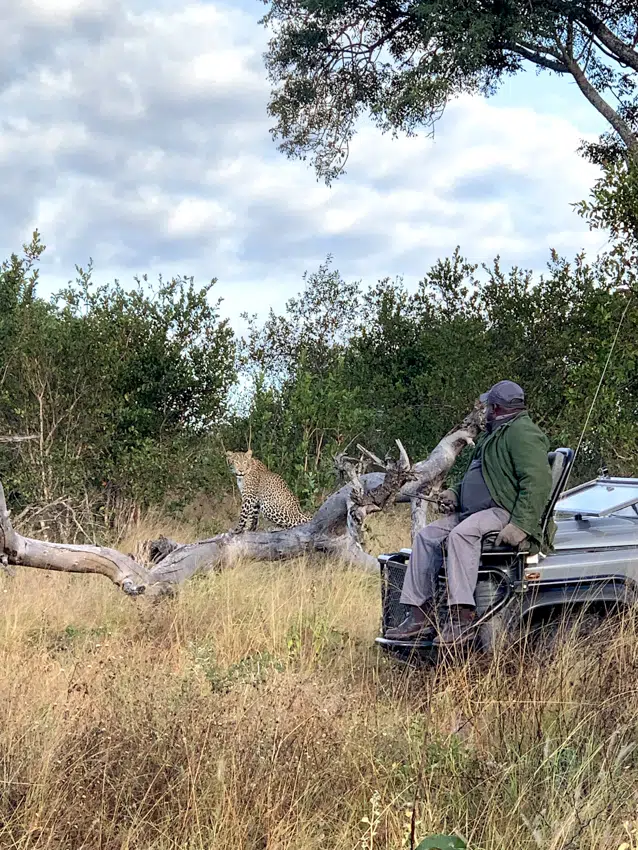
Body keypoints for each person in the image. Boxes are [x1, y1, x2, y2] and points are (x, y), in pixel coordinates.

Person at [386, 380, 552, 647]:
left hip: (503, 511)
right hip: (476, 511)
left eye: (488, 405)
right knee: (426, 536)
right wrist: (455, 493)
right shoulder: (495, 433)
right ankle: (419, 618)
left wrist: (521, 525)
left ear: (497, 408)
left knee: (462, 535)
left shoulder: (523, 433)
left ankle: (462, 619)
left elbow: (538, 482)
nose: (484, 410)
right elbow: (483, 477)